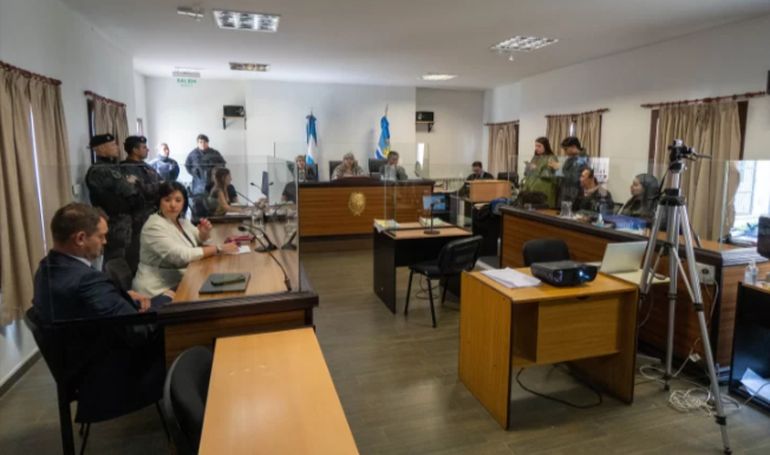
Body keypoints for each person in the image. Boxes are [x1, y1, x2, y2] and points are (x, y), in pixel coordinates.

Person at [32, 203, 165, 422]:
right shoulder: (86, 280)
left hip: (82, 365)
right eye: (101, 236)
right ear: (81, 238)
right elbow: (137, 331)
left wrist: (122, 296)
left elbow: (91, 307)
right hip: (110, 378)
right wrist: (164, 303)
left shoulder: (47, 268)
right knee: (193, 339)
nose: (105, 242)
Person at [132, 182, 239, 296]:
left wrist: (203, 234)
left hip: (181, 281)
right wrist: (219, 248)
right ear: (159, 202)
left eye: (178, 200)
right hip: (156, 290)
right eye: (167, 200)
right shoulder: (153, 226)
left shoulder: (181, 221)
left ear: (184, 203)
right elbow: (182, 256)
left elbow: (198, 240)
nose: (173, 205)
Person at [85, 133, 141, 266]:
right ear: (100, 149)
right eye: (112, 145)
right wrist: (130, 183)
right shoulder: (98, 170)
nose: (117, 147)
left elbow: (135, 186)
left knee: (128, 260)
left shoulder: (115, 167)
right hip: (114, 223)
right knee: (116, 262)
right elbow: (129, 189)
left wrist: (132, 183)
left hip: (126, 221)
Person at [121, 135, 161, 274]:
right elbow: (140, 191)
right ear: (134, 150)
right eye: (144, 147)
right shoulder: (126, 168)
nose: (147, 149)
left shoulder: (146, 167)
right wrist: (155, 188)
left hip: (153, 214)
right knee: (138, 255)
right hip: (138, 218)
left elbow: (162, 185)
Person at [520, 137, 559, 207]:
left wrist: (535, 168)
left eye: (539, 146)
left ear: (546, 146)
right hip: (531, 189)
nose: (536, 148)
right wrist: (528, 168)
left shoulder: (551, 157)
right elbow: (527, 173)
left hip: (543, 190)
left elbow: (548, 175)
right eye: (535, 146)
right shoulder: (535, 157)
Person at [555, 136, 590, 207]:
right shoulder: (571, 158)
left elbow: (575, 177)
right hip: (565, 192)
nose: (564, 152)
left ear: (574, 147)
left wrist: (559, 169)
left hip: (574, 195)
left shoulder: (582, 159)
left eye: (566, 149)